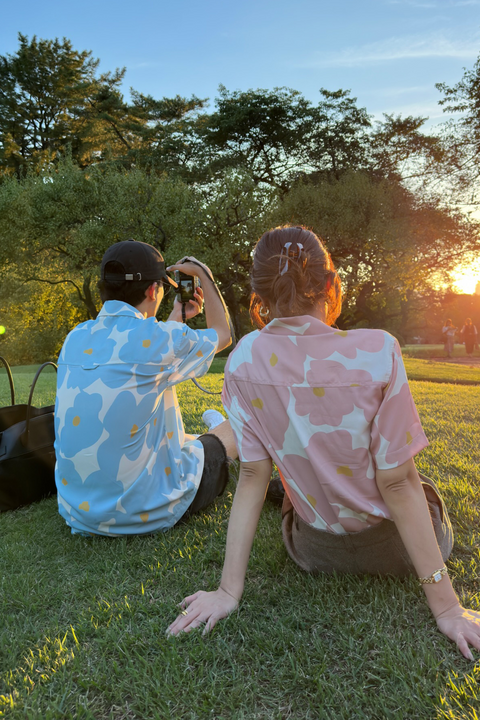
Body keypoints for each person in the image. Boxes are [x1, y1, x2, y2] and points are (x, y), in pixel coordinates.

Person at [168, 226, 480, 660]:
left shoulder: (242, 359)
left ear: (259, 296)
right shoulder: (379, 350)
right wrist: (447, 607)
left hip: (314, 551)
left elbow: (253, 478)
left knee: (284, 478)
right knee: (417, 483)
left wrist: (227, 591)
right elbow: (398, 485)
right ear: (330, 286)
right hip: (398, 554)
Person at [54, 239, 237, 536]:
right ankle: (216, 434)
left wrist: (178, 316)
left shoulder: (75, 337)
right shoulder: (159, 339)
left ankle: (204, 436)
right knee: (237, 426)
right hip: (144, 510)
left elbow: (149, 353)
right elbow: (222, 334)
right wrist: (205, 276)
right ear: (153, 290)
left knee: (174, 435)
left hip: (78, 513)